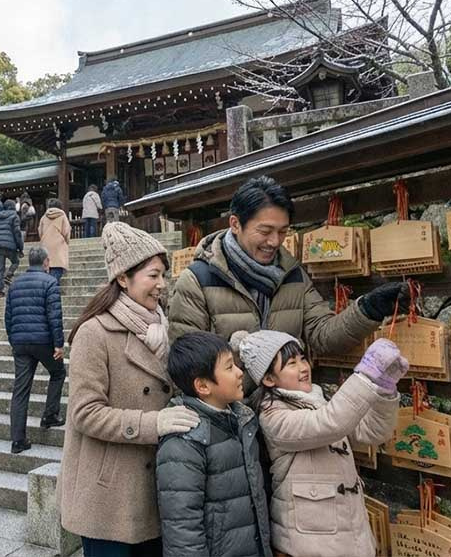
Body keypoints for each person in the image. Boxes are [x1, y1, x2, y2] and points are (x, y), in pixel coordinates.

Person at [58, 222, 200, 556]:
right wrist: (155, 424)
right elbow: (85, 414)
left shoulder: (161, 328)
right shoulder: (94, 332)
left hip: (156, 489)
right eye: (153, 276)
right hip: (108, 496)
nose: (161, 285)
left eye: (163, 275)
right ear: (123, 278)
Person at [168, 175, 409, 354]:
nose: (274, 242)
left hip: (286, 410)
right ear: (235, 224)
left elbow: (321, 336)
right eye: (265, 231)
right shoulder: (198, 281)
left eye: (283, 232)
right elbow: (189, 362)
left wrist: (368, 309)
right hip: (231, 414)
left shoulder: (292, 275)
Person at [235, 330, 404, 557]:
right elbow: (330, 423)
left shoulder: (317, 400)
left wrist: (384, 389)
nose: (303, 367)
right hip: (309, 543)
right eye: (291, 363)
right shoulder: (272, 416)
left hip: (350, 534)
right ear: (268, 379)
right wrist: (365, 376)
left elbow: (372, 432)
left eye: (302, 358)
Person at [157, 332, 271, 557]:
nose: (240, 373)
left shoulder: (241, 420)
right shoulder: (185, 441)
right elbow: (183, 529)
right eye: (229, 367)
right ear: (203, 386)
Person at [4, 247, 66, 454]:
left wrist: (13, 340)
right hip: (43, 342)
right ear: (47, 262)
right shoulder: (50, 282)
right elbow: (54, 316)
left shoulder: (15, 284)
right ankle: (50, 415)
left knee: (20, 390)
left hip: (20, 342)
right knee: (58, 373)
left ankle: (17, 440)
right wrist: (59, 344)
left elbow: (8, 317)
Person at [0, 198, 24, 297]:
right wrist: (20, 248)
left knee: (0, 269)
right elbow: (17, 233)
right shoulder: (15, 216)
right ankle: (9, 274)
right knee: (15, 262)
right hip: (10, 245)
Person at [38, 198, 70, 284]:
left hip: (45, 246)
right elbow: (66, 231)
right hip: (58, 246)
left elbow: (40, 232)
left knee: (46, 271)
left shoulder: (44, 217)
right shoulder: (62, 216)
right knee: (56, 271)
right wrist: (66, 241)